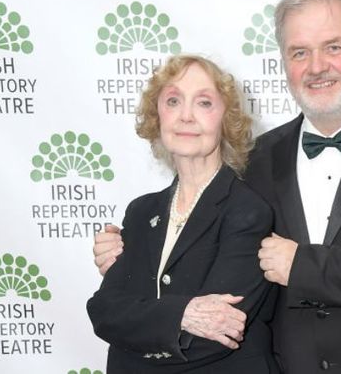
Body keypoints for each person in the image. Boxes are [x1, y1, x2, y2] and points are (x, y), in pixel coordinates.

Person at [94, 0, 341, 374]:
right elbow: (205, 265)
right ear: (284, 63)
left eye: (333, 47)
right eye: (299, 52)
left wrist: (304, 267)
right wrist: (132, 257)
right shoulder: (253, 159)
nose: (317, 66)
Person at [87, 54, 279, 373]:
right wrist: (184, 315)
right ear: (157, 116)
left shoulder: (248, 211)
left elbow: (218, 335)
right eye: (173, 101)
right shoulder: (140, 212)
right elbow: (103, 312)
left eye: (204, 103)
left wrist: (137, 333)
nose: (186, 116)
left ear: (225, 119)